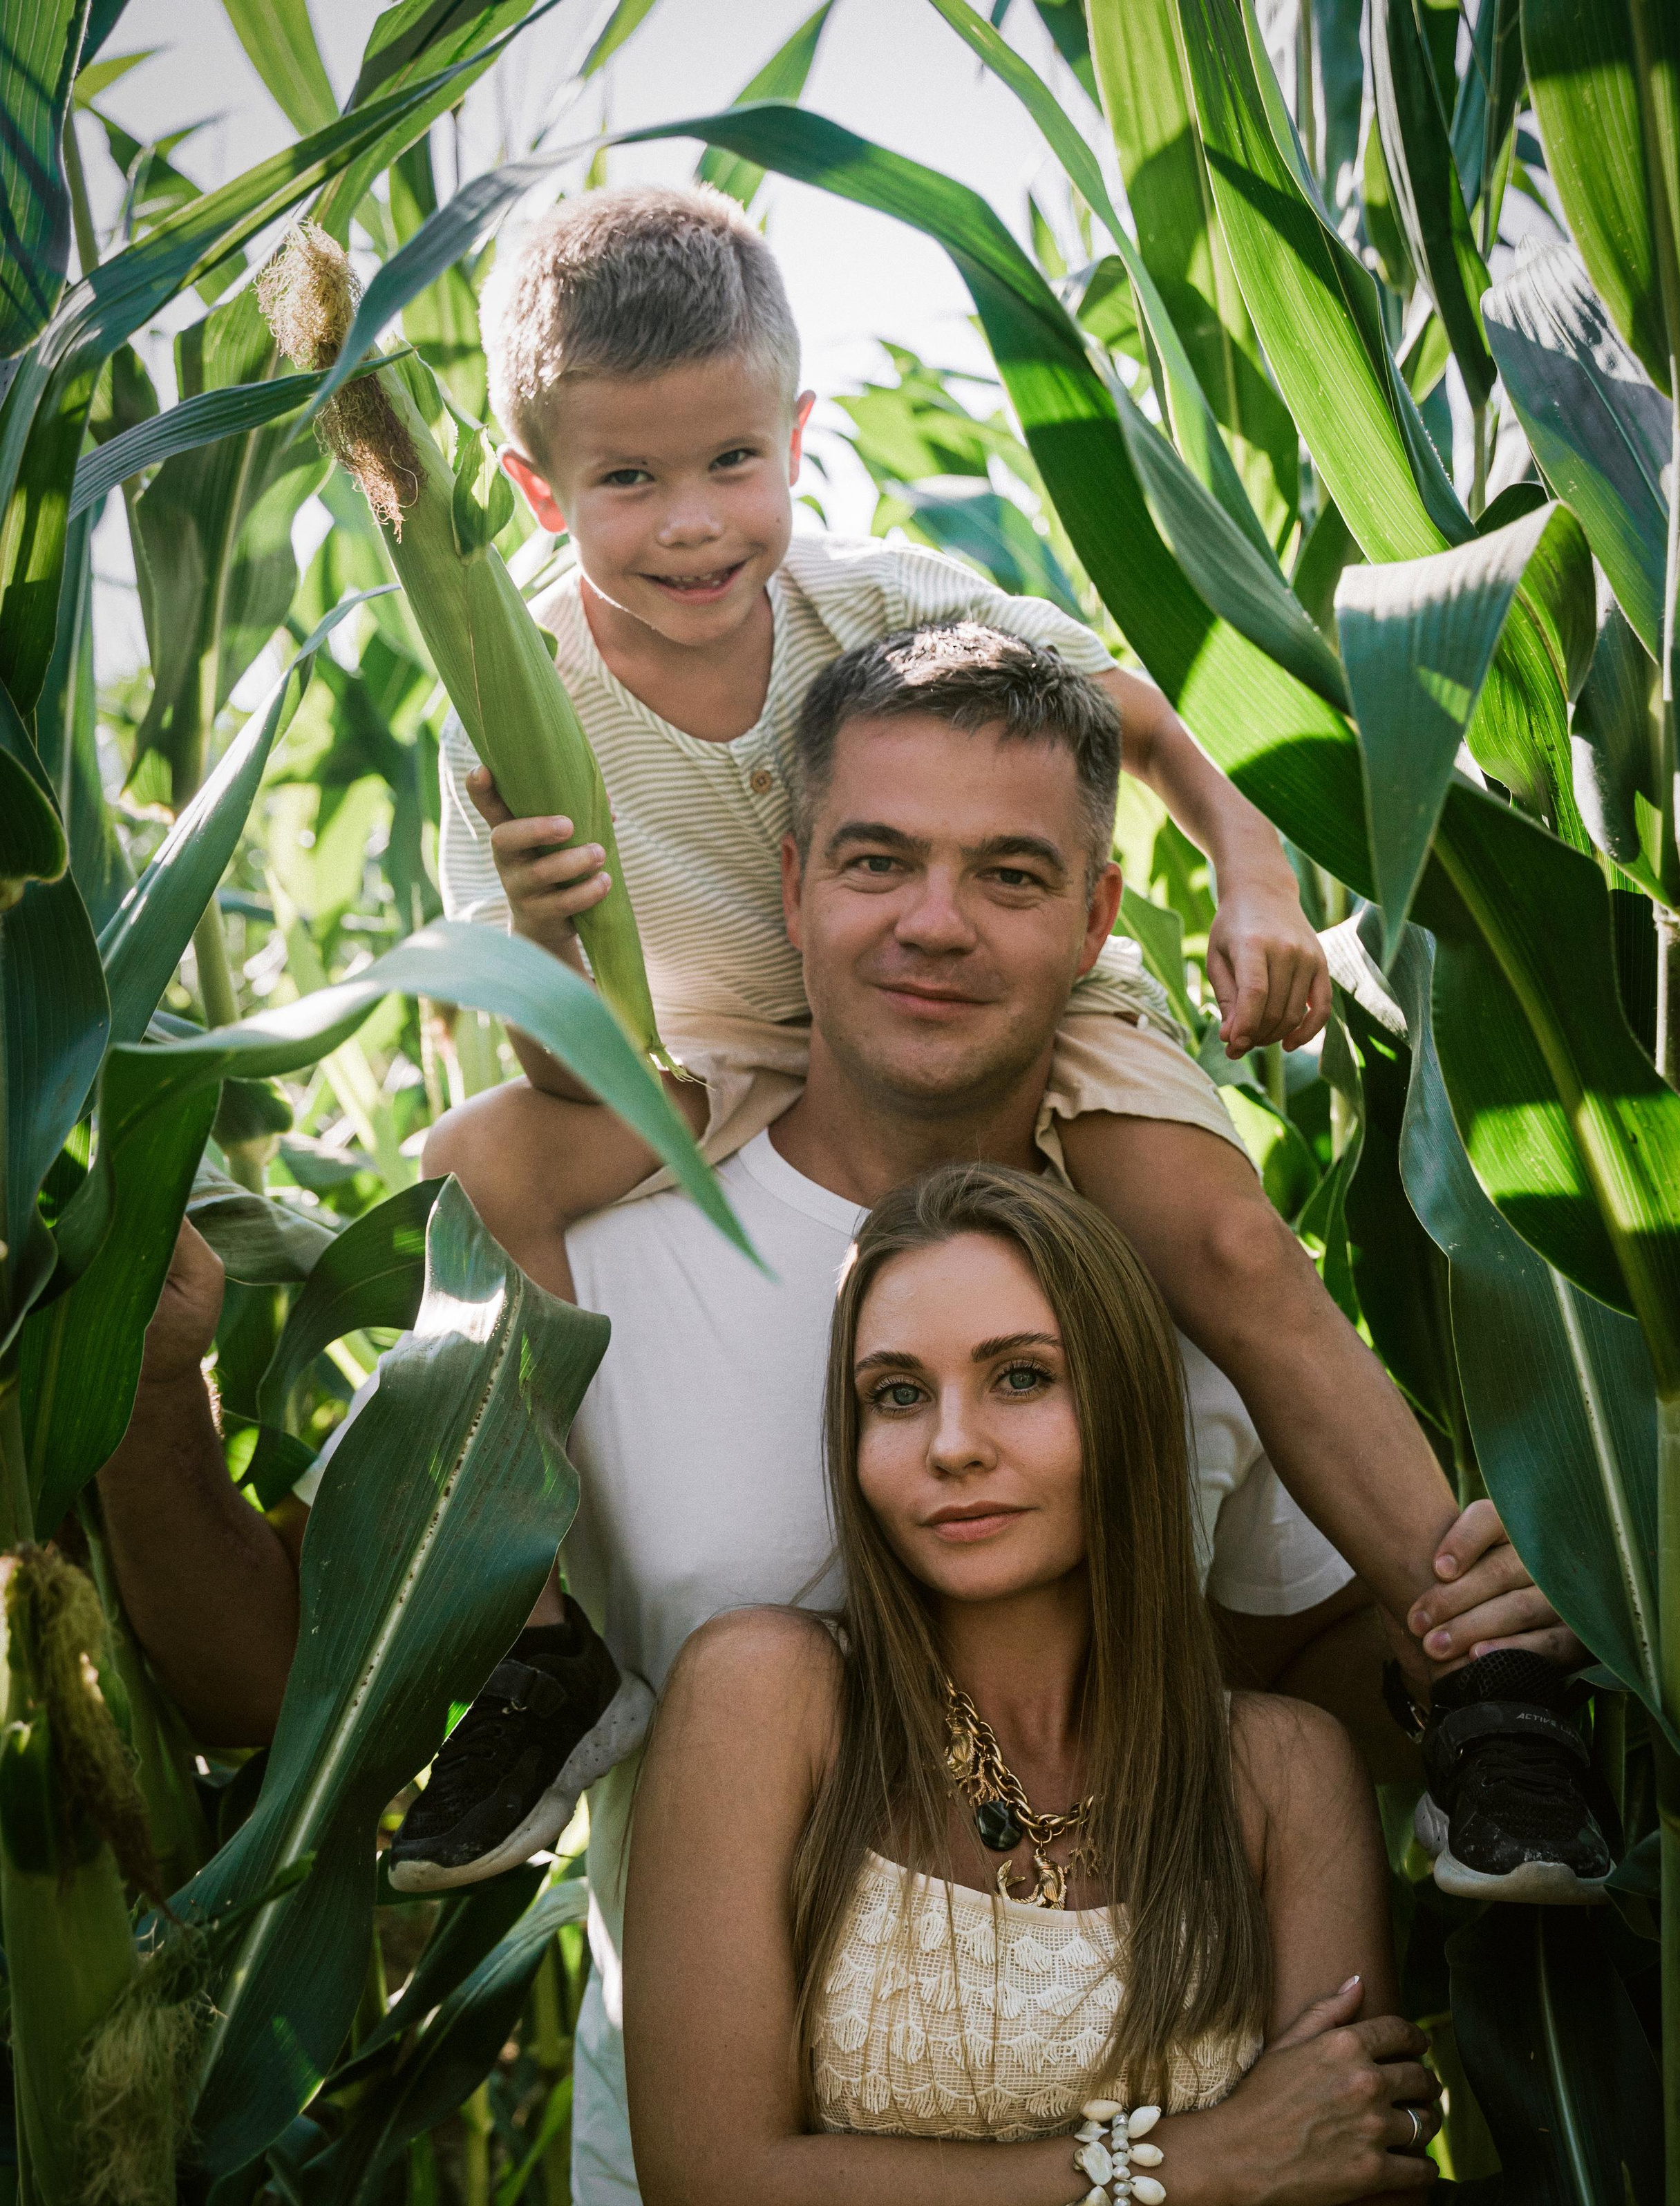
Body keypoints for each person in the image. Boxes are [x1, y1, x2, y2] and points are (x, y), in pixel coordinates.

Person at [98, 635, 1577, 2206]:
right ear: (789, 884)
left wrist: (1467, 1640)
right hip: (710, 2193)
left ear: (1097, 914)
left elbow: (1295, 1716)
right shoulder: (600, 1249)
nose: (935, 926)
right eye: (877, 860)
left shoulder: (1165, 1278)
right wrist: (147, 1392)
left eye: (1007, 872)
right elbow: (290, 1686)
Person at [388, 181, 1607, 1906]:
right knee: (472, 1179)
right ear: (535, 487)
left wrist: (1252, 867)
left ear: (798, 432)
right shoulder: (511, 709)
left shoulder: (877, 598)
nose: (689, 526)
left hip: (1005, 980)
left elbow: (1124, 715)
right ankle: (541, 1651)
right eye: (627, 482)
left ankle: (1489, 1674)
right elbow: (555, 1072)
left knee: (1221, 1237)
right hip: (723, 1037)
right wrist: (538, 945)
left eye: (733, 461)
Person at [612, 1162, 1437, 2206]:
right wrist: (1208, 2165)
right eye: (892, 1395)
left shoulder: (1276, 1774)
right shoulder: (767, 1701)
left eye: (1018, 1379)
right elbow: (723, 2202)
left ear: (1121, 1406)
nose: (951, 1448)